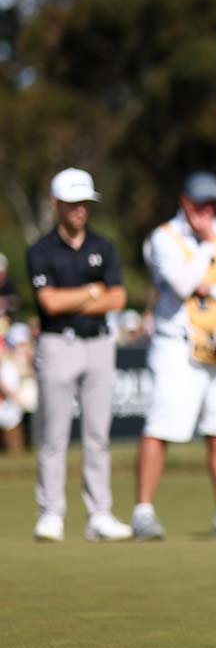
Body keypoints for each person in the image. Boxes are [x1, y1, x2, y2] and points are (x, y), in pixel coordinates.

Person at [132, 172, 216, 540]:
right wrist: (206, 249)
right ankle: (143, 512)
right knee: (162, 427)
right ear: (185, 202)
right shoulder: (164, 238)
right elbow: (183, 284)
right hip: (177, 347)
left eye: (212, 204)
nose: (206, 211)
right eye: (199, 204)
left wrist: (214, 288)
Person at [26, 169, 131, 542]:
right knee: (53, 435)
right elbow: (49, 303)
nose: (79, 210)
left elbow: (118, 298)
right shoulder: (40, 251)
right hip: (58, 345)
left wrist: (79, 299)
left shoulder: (104, 247)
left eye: (84, 203)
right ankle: (51, 513)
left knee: (97, 435)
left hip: (99, 345)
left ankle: (99, 513)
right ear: (56, 205)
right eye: (72, 204)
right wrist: (91, 293)